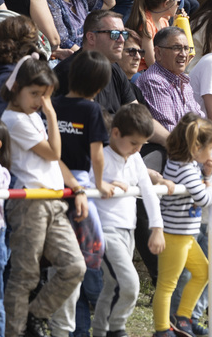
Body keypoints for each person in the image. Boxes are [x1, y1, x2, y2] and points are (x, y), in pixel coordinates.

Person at [1, 58, 88, 337]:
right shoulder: (13, 118)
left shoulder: (31, 117)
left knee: (74, 266)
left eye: (45, 94)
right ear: (17, 89)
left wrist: (77, 187)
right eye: (35, 93)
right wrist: (52, 115)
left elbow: (53, 162)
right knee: (25, 275)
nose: (40, 101)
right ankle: (14, 330)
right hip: (30, 205)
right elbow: (53, 153)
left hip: (52, 202)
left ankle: (34, 316)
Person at [92, 103, 166, 337]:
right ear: (115, 133)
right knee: (130, 283)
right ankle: (118, 328)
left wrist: (157, 227)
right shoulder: (100, 156)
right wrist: (102, 184)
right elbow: (84, 184)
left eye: (141, 145)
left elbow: (148, 191)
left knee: (113, 285)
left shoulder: (134, 159)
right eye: (133, 143)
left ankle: (102, 331)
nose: (137, 149)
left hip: (128, 230)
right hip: (105, 230)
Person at [155, 114, 212, 337]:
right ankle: (162, 329)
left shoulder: (185, 164)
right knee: (167, 284)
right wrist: (209, 180)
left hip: (186, 236)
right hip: (174, 236)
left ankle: (183, 317)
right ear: (197, 147)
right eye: (211, 147)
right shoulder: (186, 169)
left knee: (204, 272)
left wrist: (204, 174)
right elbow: (205, 198)